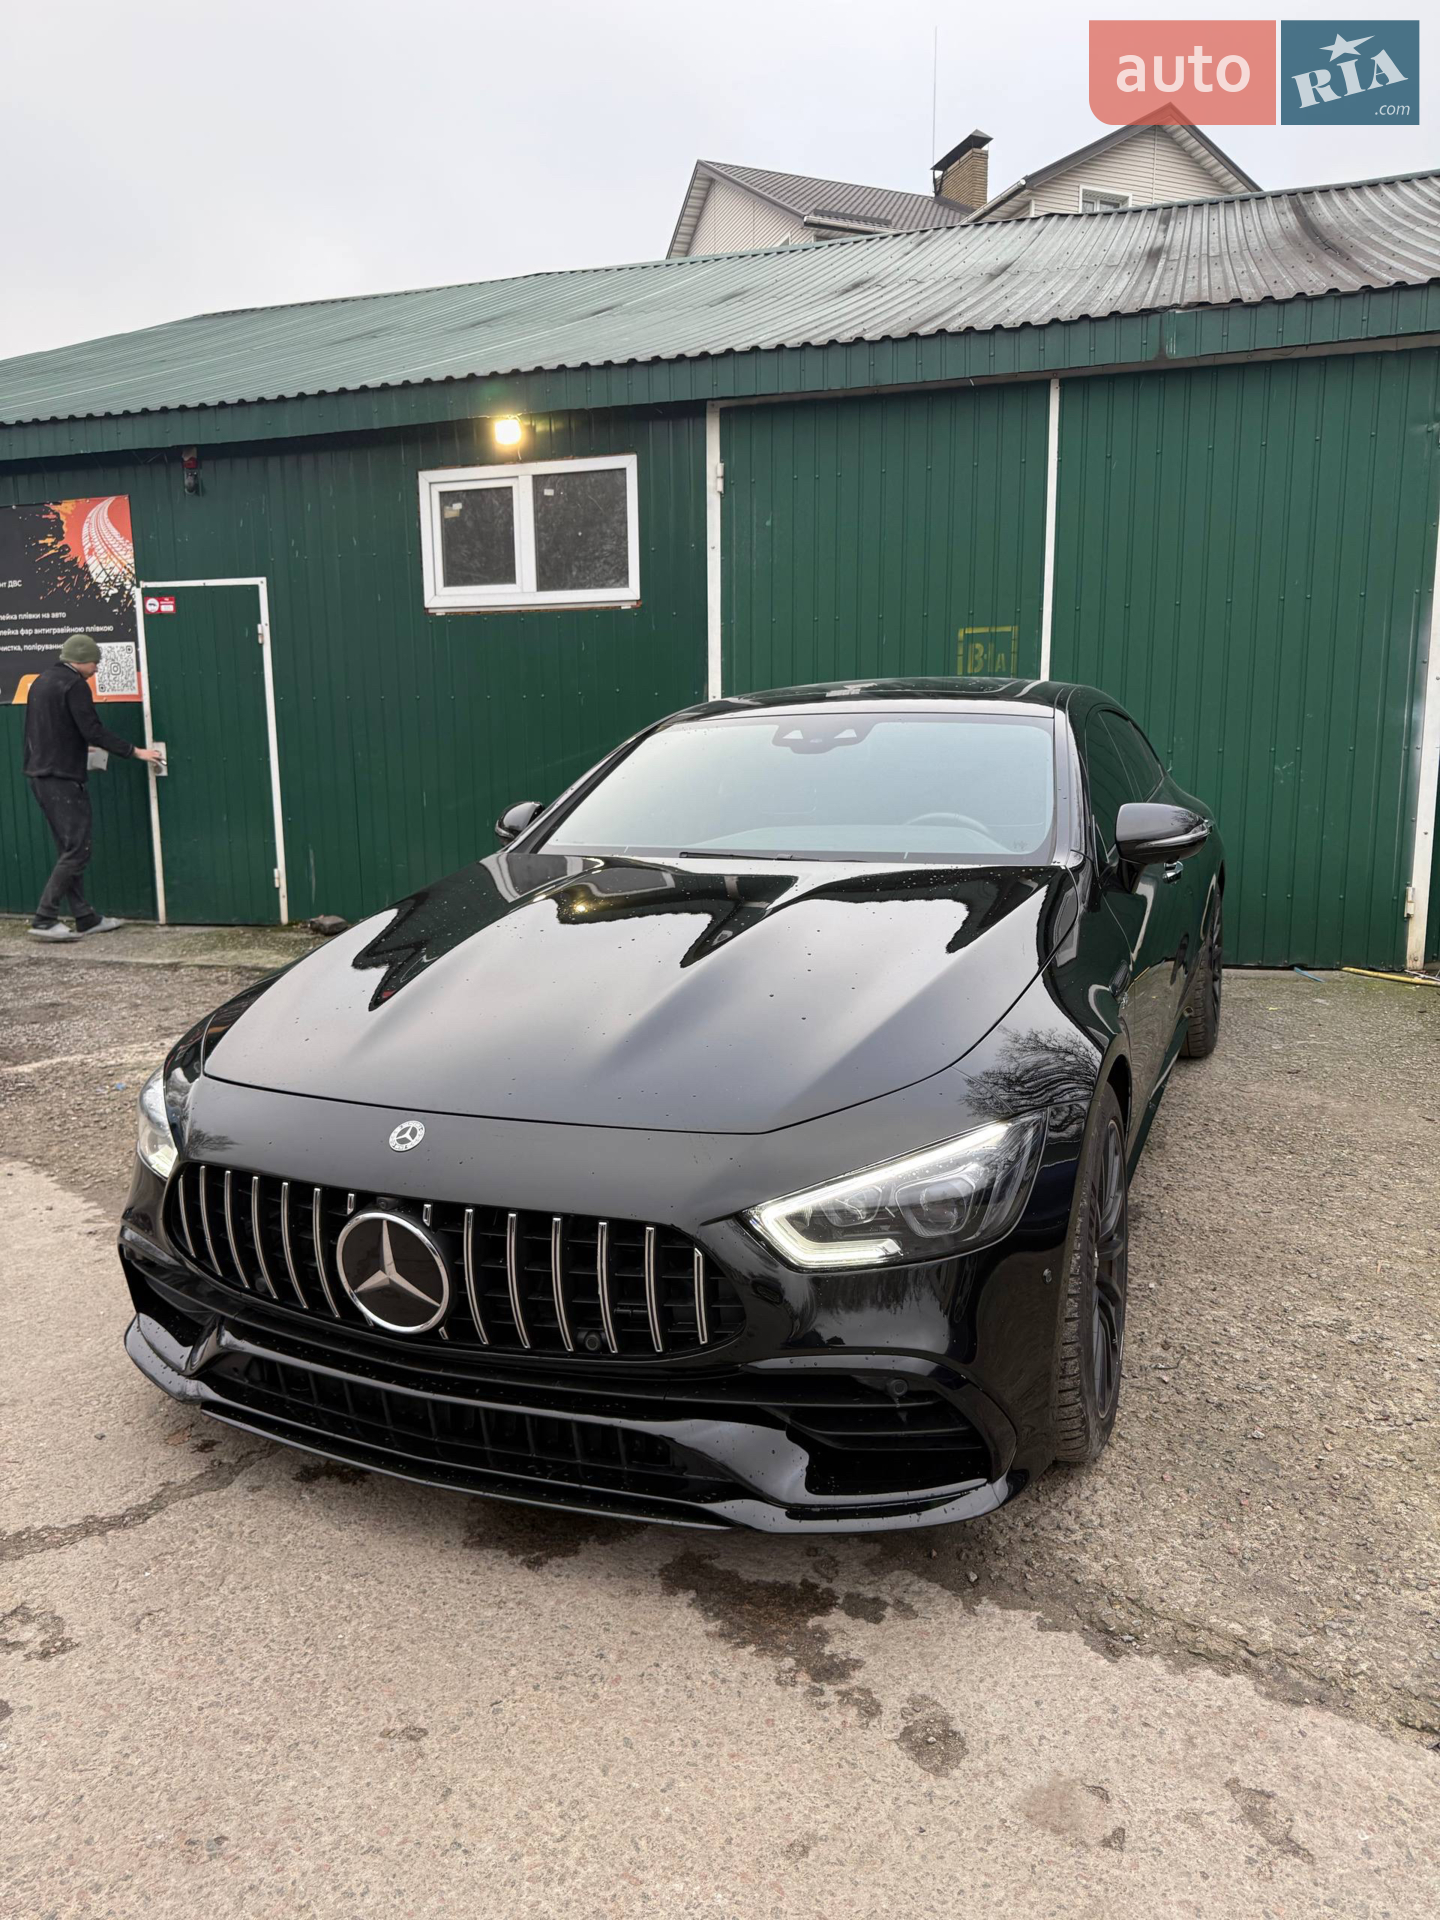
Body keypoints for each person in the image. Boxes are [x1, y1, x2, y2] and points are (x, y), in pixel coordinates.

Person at [23, 632, 164, 943]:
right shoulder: (74, 685)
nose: (97, 668)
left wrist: (70, 749)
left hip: (40, 775)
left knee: (68, 850)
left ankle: (85, 917)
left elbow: (44, 729)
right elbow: (93, 730)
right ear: (81, 660)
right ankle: (44, 919)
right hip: (63, 778)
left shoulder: (42, 681)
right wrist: (135, 752)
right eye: (94, 663)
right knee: (78, 849)